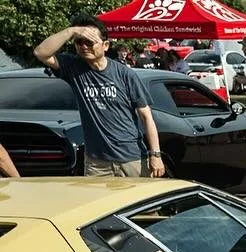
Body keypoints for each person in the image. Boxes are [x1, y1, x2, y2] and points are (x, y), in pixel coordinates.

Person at [33, 15, 165, 178]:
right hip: (97, 163)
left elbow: (146, 116)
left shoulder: (125, 74)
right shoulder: (74, 68)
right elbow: (40, 52)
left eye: (89, 42)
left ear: (105, 45)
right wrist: (71, 31)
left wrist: (156, 155)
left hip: (132, 158)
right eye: (79, 42)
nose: (84, 46)